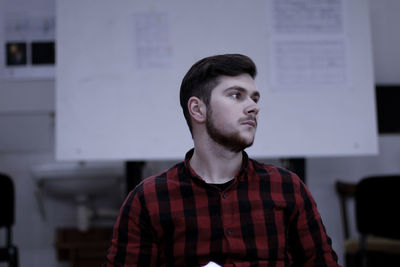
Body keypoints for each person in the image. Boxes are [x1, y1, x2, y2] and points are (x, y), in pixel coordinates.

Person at [105, 54, 341, 266]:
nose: (253, 107)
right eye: (236, 95)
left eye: (255, 99)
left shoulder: (287, 187)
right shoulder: (149, 199)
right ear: (198, 110)